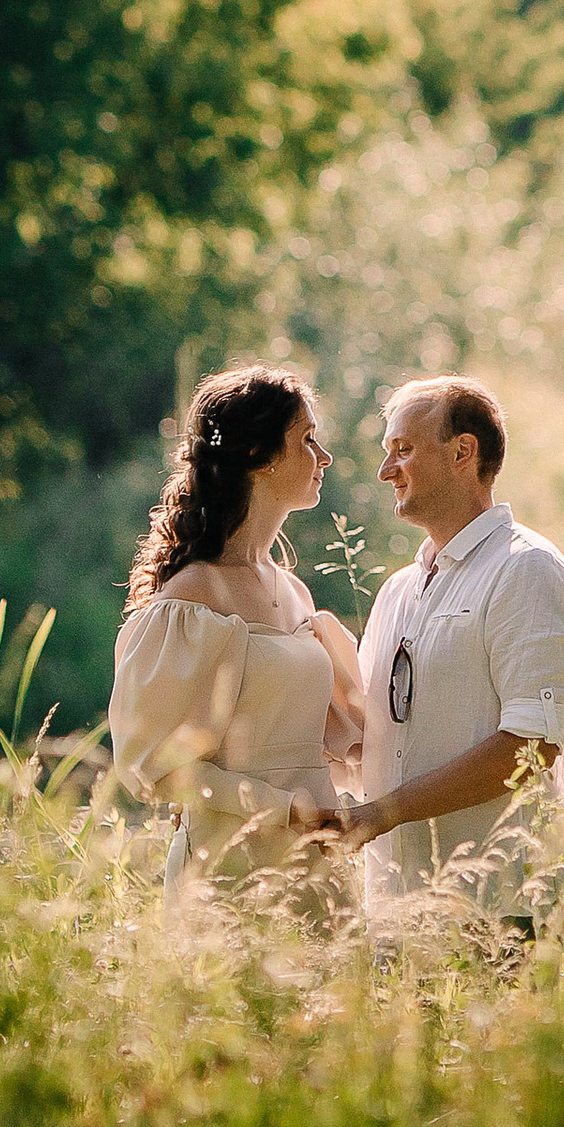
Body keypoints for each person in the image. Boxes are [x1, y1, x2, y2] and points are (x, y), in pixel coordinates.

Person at [339, 373, 564, 924]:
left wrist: (381, 815)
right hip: (393, 909)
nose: (386, 472)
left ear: (462, 451)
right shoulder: (398, 591)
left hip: (502, 912)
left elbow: (530, 749)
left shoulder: (527, 569)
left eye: (403, 451)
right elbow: (366, 741)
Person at [108, 363, 366, 883]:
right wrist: (283, 806)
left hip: (318, 863)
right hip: (228, 865)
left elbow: (330, 740)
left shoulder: (295, 593)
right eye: (307, 439)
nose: (324, 456)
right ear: (258, 456)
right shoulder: (191, 599)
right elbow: (155, 770)